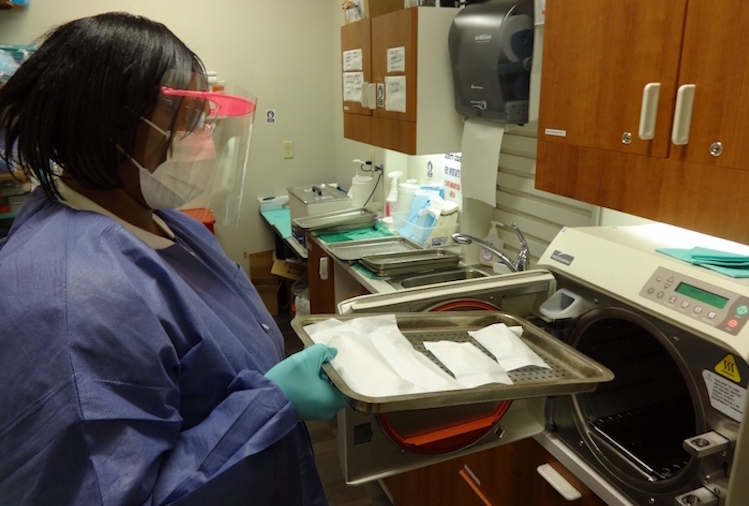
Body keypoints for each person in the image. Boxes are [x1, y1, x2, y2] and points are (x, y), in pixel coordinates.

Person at [0, 12, 347, 506]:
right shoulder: (69, 306)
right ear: (110, 123)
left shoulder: (161, 220)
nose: (202, 136)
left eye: (205, 117)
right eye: (187, 118)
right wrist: (272, 404)